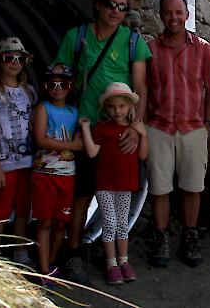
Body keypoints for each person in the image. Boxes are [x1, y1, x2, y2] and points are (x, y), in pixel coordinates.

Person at [53, 0, 151, 283]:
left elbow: (141, 88)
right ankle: (73, 252)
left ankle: (116, 256)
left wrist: (136, 127)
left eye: (123, 7)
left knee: (119, 193)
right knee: (81, 194)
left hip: (119, 133)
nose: (115, 11)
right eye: (111, 4)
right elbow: (59, 76)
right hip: (85, 129)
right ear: (98, 4)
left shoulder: (132, 41)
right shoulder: (77, 37)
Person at [146, 0, 210, 268]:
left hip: (192, 129)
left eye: (178, 12)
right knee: (159, 189)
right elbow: (145, 89)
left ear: (187, 14)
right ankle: (161, 237)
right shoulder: (151, 49)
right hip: (158, 127)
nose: (173, 17)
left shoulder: (201, 48)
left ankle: (190, 237)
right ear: (161, 15)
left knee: (192, 187)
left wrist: (207, 120)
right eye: (168, 12)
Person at [79, 82, 148, 285]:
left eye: (121, 106)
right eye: (112, 106)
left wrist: (143, 134)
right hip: (105, 184)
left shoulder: (133, 129)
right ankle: (111, 263)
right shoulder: (102, 128)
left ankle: (124, 261)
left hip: (125, 184)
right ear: (106, 109)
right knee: (109, 223)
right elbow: (92, 152)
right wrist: (85, 128)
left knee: (122, 224)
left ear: (129, 107)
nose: (117, 111)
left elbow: (143, 154)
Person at [0, 37, 36, 266]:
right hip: (5, 163)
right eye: (8, 57)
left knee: (24, 209)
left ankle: (20, 252)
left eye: (19, 58)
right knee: (2, 209)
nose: (14, 62)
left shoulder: (28, 91)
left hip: (28, 160)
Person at [31, 64, 82, 285]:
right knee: (45, 222)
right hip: (45, 173)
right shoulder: (43, 108)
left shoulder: (75, 112)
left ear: (71, 86)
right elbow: (40, 139)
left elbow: (82, 143)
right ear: (45, 86)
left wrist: (72, 145)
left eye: (63, 83)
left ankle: (50, 264)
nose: (58, 88)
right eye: (52, 84)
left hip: (67, 174)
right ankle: (43, 270)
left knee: (61, 223)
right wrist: (70, 145)